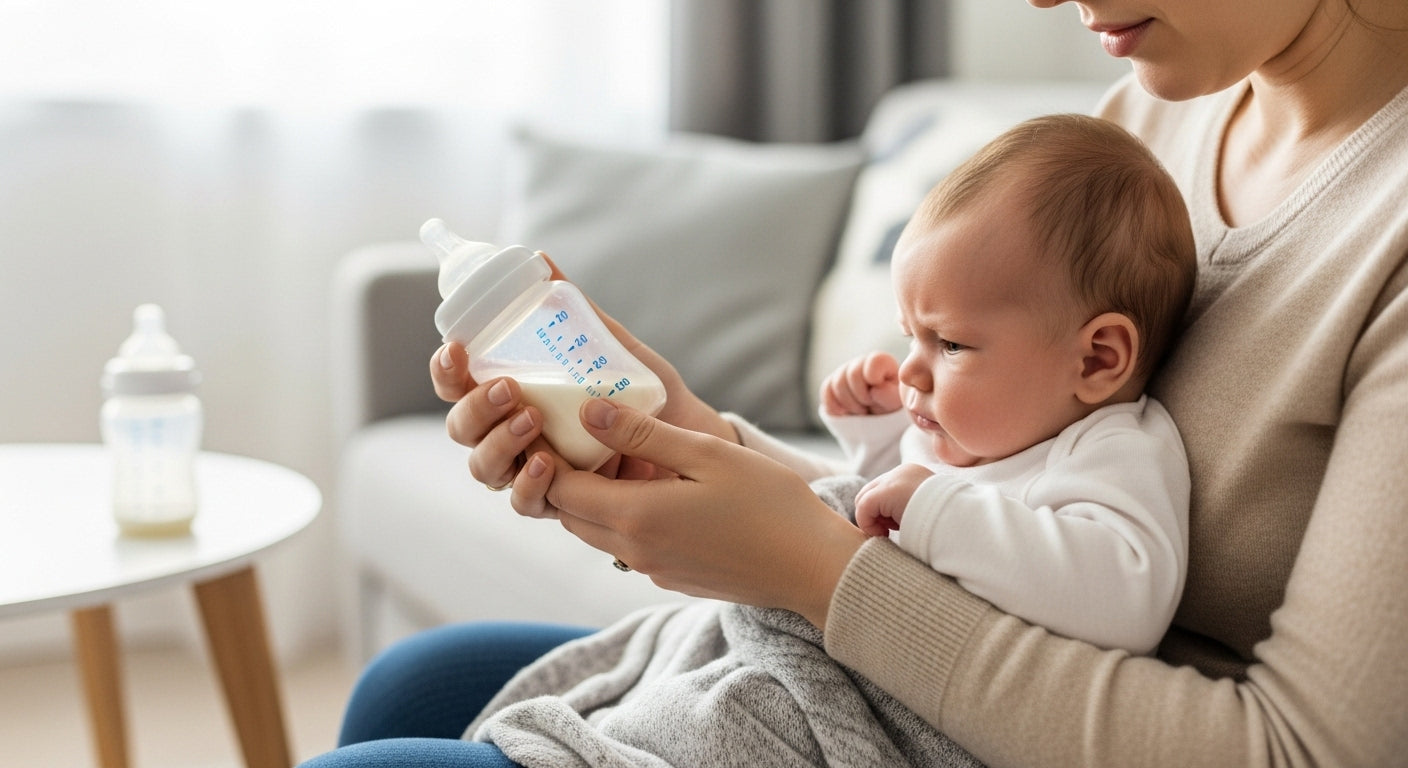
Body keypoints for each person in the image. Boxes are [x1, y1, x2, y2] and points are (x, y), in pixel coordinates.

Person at [304, 0, 1408, 765]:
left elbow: (1301, 751)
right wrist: (690, 441)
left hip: (1004, 730)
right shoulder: (1149, 116)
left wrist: (814, 570)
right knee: (415, 687)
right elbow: (972, 476)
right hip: (916, 663)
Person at [818, 113, 1194, 655]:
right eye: (910, 338)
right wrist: (879, 437)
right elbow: (880, 512)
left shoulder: (1110, 452)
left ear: (1095, 360)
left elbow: (1126, 604)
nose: (909, 372)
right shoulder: (988, 426)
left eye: (950, 345)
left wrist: (934, 511)